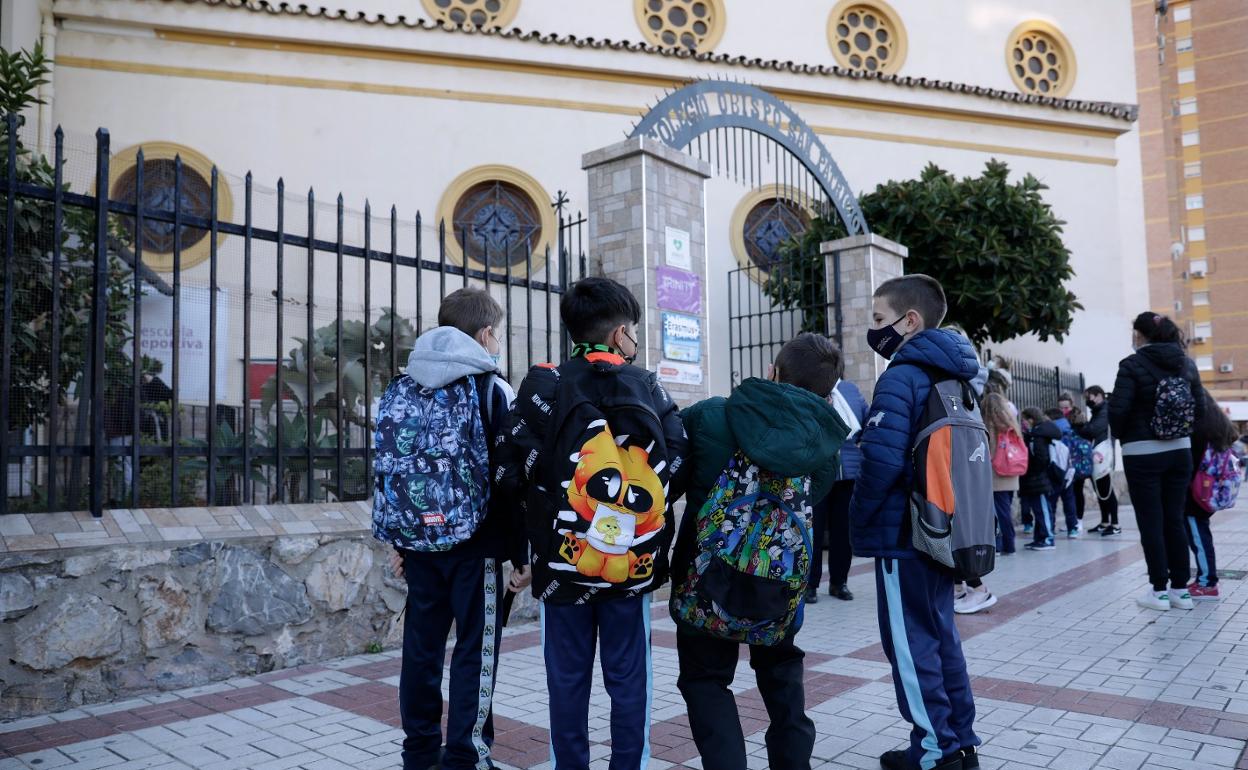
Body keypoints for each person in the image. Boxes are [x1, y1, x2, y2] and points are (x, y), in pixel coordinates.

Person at [495, 277, 688, 770]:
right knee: (629, 678)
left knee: (566, 679)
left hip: (561, 568)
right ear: (622, 332)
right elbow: (680, 459)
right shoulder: (646, 384)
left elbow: (509, 469)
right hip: (632, 566)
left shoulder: (544, 384)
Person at [672, 332, 846, 770]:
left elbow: (672, 472)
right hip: (779, 586)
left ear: (773, 371)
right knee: (782, 672)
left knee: (707, 679)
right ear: (829, 391)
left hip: (706, 576)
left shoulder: (713, 415)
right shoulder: (825, 446)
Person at [374, 288, 530, 770]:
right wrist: (520, 553)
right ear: (485, 335)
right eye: (497, 336)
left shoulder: (404, 385)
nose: (497, 344)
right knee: (473, 652)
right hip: (475, 545)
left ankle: (418, 753)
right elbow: (510, 477)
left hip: (418, 543)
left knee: (420, 648)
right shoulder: (490, 387)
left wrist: (401, 538)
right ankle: (466, 756)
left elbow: (392, 467)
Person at [850, 274, 980, 770]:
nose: (874, 330)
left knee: (909, 644)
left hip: (904, 534)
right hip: (944, 530)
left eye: (880, 320)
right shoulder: (958, 377)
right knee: (941, 636)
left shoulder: (902, 375)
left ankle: (933, 751)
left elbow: (880, 462)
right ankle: (960, 744)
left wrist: (859, 518)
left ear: (910, 321)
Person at [1110, 311, 1204, 612]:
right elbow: (1200, 411)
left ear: (1140, 335)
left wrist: (1128, 437)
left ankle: (1159, 591)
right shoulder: (1186, 364)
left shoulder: (1132, 364)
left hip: (1142, 454)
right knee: (1174, 520)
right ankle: (1181, 590)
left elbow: (1117, 413)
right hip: (1180, 452)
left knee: (1151, 523)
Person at [809, 375, 869, 603]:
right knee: (813, 531)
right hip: (819, 473)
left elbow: (866, 421)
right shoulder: (812, 387)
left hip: (848, 474)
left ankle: (839, 583)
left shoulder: (851, 390)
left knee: (843, 533)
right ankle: (810, 585)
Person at [1186, 388, 1237, 599]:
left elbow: (1191, 462)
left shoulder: (1198, 430)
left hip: (1195, 494)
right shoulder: (1217, 425)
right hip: (1206, 491)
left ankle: (1208, 583)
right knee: (1201, 536)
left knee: (1199, 538)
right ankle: (1204, 579)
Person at [983, 392, 1022, 561]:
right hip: (1011, 474)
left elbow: (988, 451)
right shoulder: (1011, 421)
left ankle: (1000, 545)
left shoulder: (989, 424)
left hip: (995, 475)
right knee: (1005, 510)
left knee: (997, 513)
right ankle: (1009, 544)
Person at [1078, 385, 1121, 536]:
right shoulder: (1098, 411)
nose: (1087, 400)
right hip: (1097, 456)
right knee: (1100, 490)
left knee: (1107, 490)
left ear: (1098, 395)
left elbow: (1092, 430)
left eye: (1088, 397)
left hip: (1104, 458)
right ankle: (1105, 522)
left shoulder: (1105, 411)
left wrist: (1081, 426)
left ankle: (1115, 524)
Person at [1019, 407, 1061, 552]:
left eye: (1024, 419)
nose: (1023, 423)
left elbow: (1042, 458)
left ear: (1031, 419)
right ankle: (1040, 538)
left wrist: (1032, 471)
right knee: (1039, 511)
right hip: (1035, 479)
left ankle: (1048, 539)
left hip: (1038, 479)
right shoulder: (1035, 434)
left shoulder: (1038, 436)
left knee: (1043, 510)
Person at [1045, 407, 1080, 538]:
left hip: (1054, 472)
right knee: (1069, 502)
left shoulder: (1051, 431)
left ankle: (1051, 528)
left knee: (1051, 503)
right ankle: (1073, 528)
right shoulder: (1069, 430)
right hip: (1069, 472)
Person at [1067, 403, 1091, 524]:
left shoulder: (1072, 430)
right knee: (1078, 492)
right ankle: (1078, 520)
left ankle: (1076, 520)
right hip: (1083, 467)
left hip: (1072, 466)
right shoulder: (1087, 429)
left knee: (1073, 493)